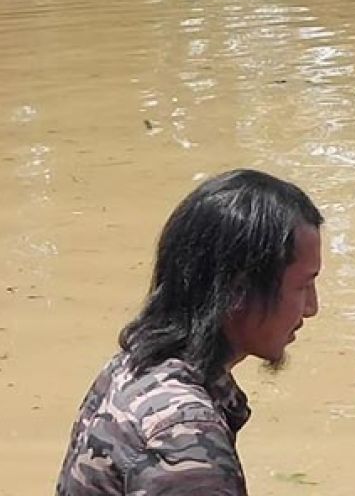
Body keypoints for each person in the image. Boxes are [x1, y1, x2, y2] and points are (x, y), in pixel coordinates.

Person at [56, 169, 324, 495]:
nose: (311, 307)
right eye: (302, 286)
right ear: (237, 291)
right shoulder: (187, 444)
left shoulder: (132, 366)